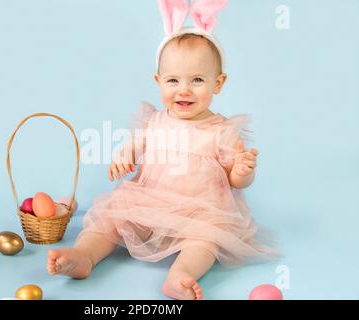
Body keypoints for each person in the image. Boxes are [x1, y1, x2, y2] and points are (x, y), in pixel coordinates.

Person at [47, 0, 280, 300]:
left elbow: (236, 182)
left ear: (218, 83)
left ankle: (180, 274)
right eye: (173, 80)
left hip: (200, 210)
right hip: (149, 201)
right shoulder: (154, 120)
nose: (183, 89)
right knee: (112, 218)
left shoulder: (222, 130)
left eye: (197, 80)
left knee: (205, 239)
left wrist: (242, 171)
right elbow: (134, 145)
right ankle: (84, 255)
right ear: (158, 82)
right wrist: (124, 155)